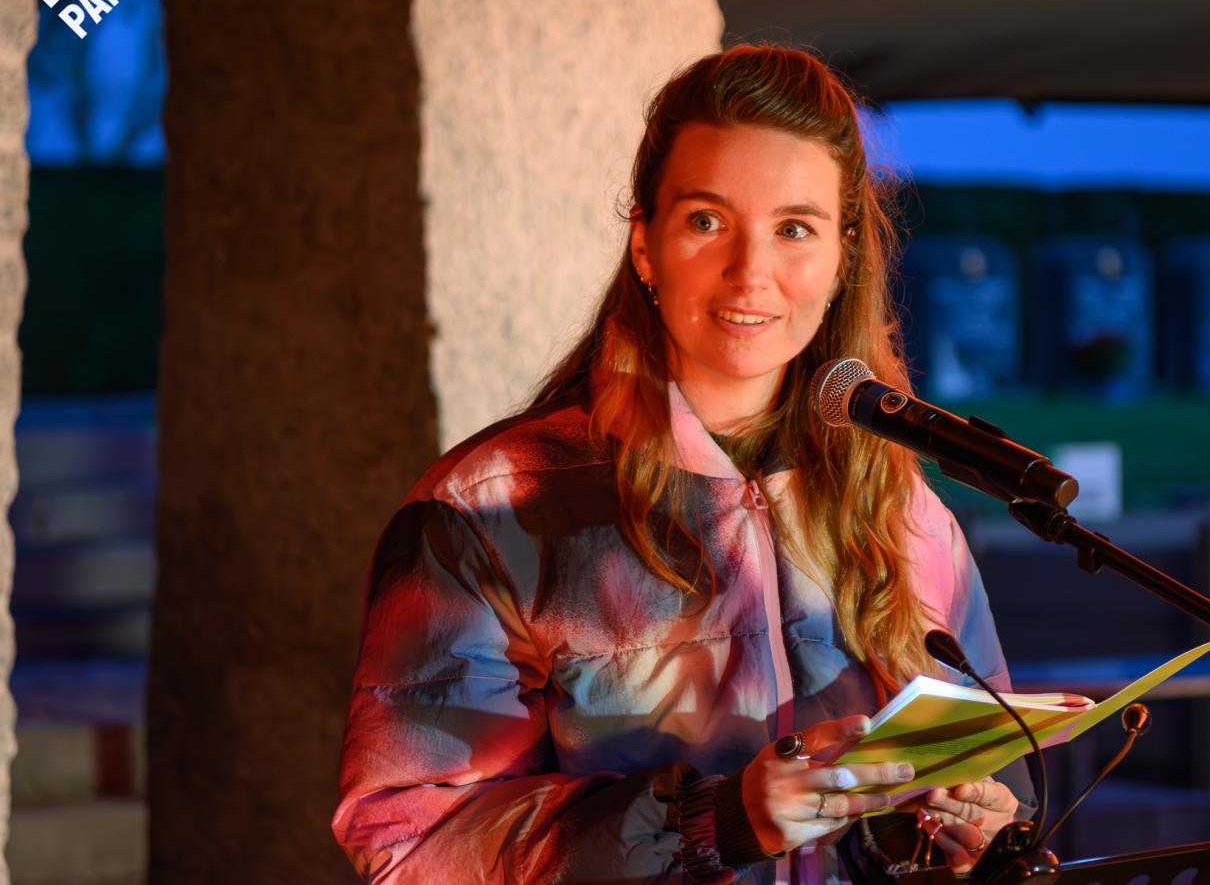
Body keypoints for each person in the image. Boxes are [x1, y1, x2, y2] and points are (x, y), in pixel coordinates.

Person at [332, 44, 1032, 883]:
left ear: (843, 258)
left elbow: (996, 769)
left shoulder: (901, 504)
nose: (751, 272)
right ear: (645, 245)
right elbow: (409, 841)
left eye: (794, 229)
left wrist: (963, 834)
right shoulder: (490, 511)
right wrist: (717, 821)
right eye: (707, 221)